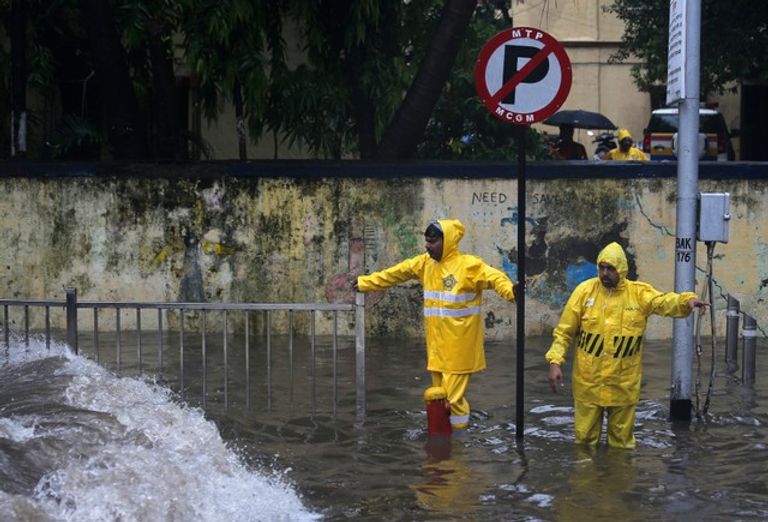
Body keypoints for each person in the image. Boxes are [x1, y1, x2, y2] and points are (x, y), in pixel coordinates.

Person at [353, 218, 517, 431]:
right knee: (437, 399)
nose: (427, 246)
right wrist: (364, 283)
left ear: (446, 241)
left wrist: (511, 293)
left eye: (432, 241)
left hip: (460, 350)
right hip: (437, 350)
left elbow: (496, 278)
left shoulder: (468, 266)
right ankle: (444, 437)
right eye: (427, 241)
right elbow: (395, 273)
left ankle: (456, 444)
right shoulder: (425, 264)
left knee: (452, 400)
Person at [545, 242, 707, 448]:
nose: (605, 273)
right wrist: (555, 361)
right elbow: (564, 331)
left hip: (623, 385)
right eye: (602, 267)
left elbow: (663, 302)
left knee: (622, 444)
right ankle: (586, 478)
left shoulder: (639, 294)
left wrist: (687, 301)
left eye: (610, 268)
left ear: (621, 269)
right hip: (588, 384)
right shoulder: (584, 293)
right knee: (584, 442)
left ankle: (619, 478)